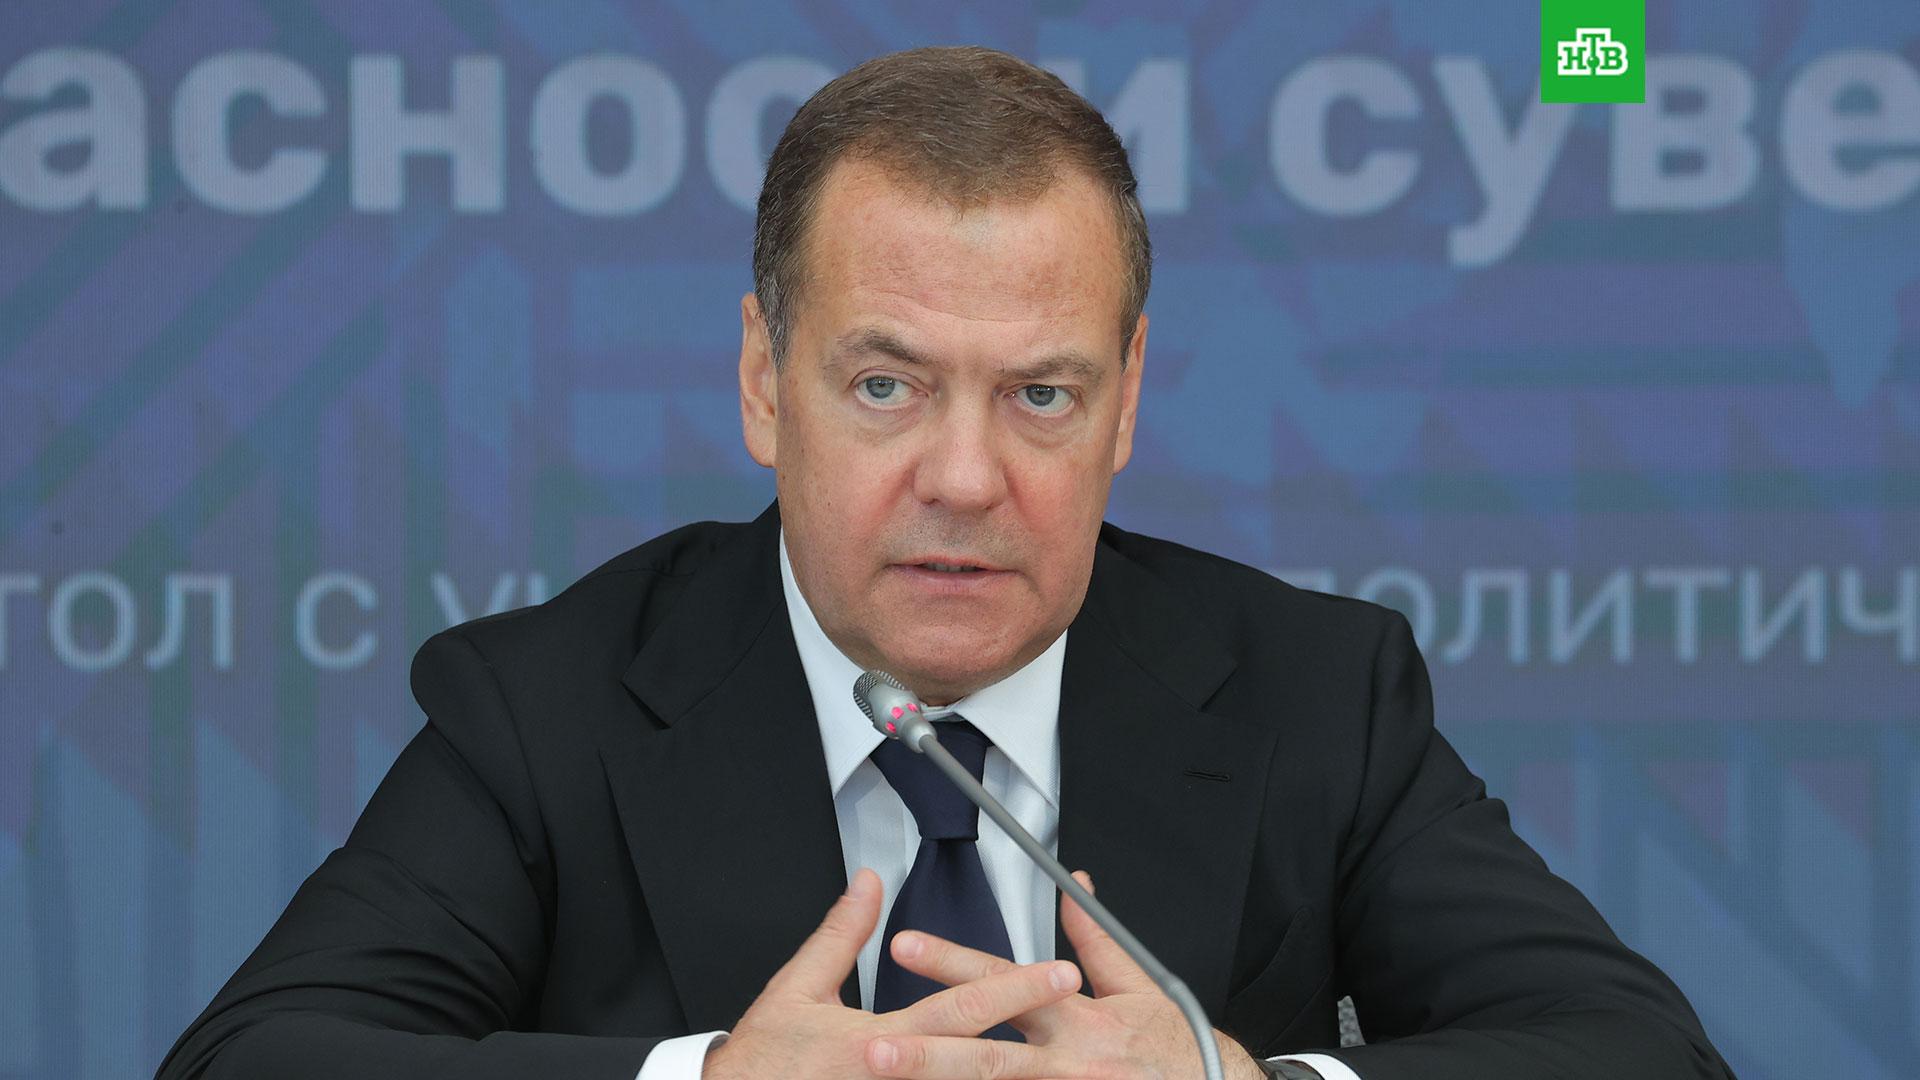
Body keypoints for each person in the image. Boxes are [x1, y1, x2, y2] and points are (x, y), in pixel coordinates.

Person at [155, 46, 1734, 1080]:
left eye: (1042, 396)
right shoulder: (555, 706)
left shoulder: (1316, 694)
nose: (967, 480)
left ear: (1127, 400)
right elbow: (254, 1060)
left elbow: (1640, 1053)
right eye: (886, 386)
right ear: (765, 383)